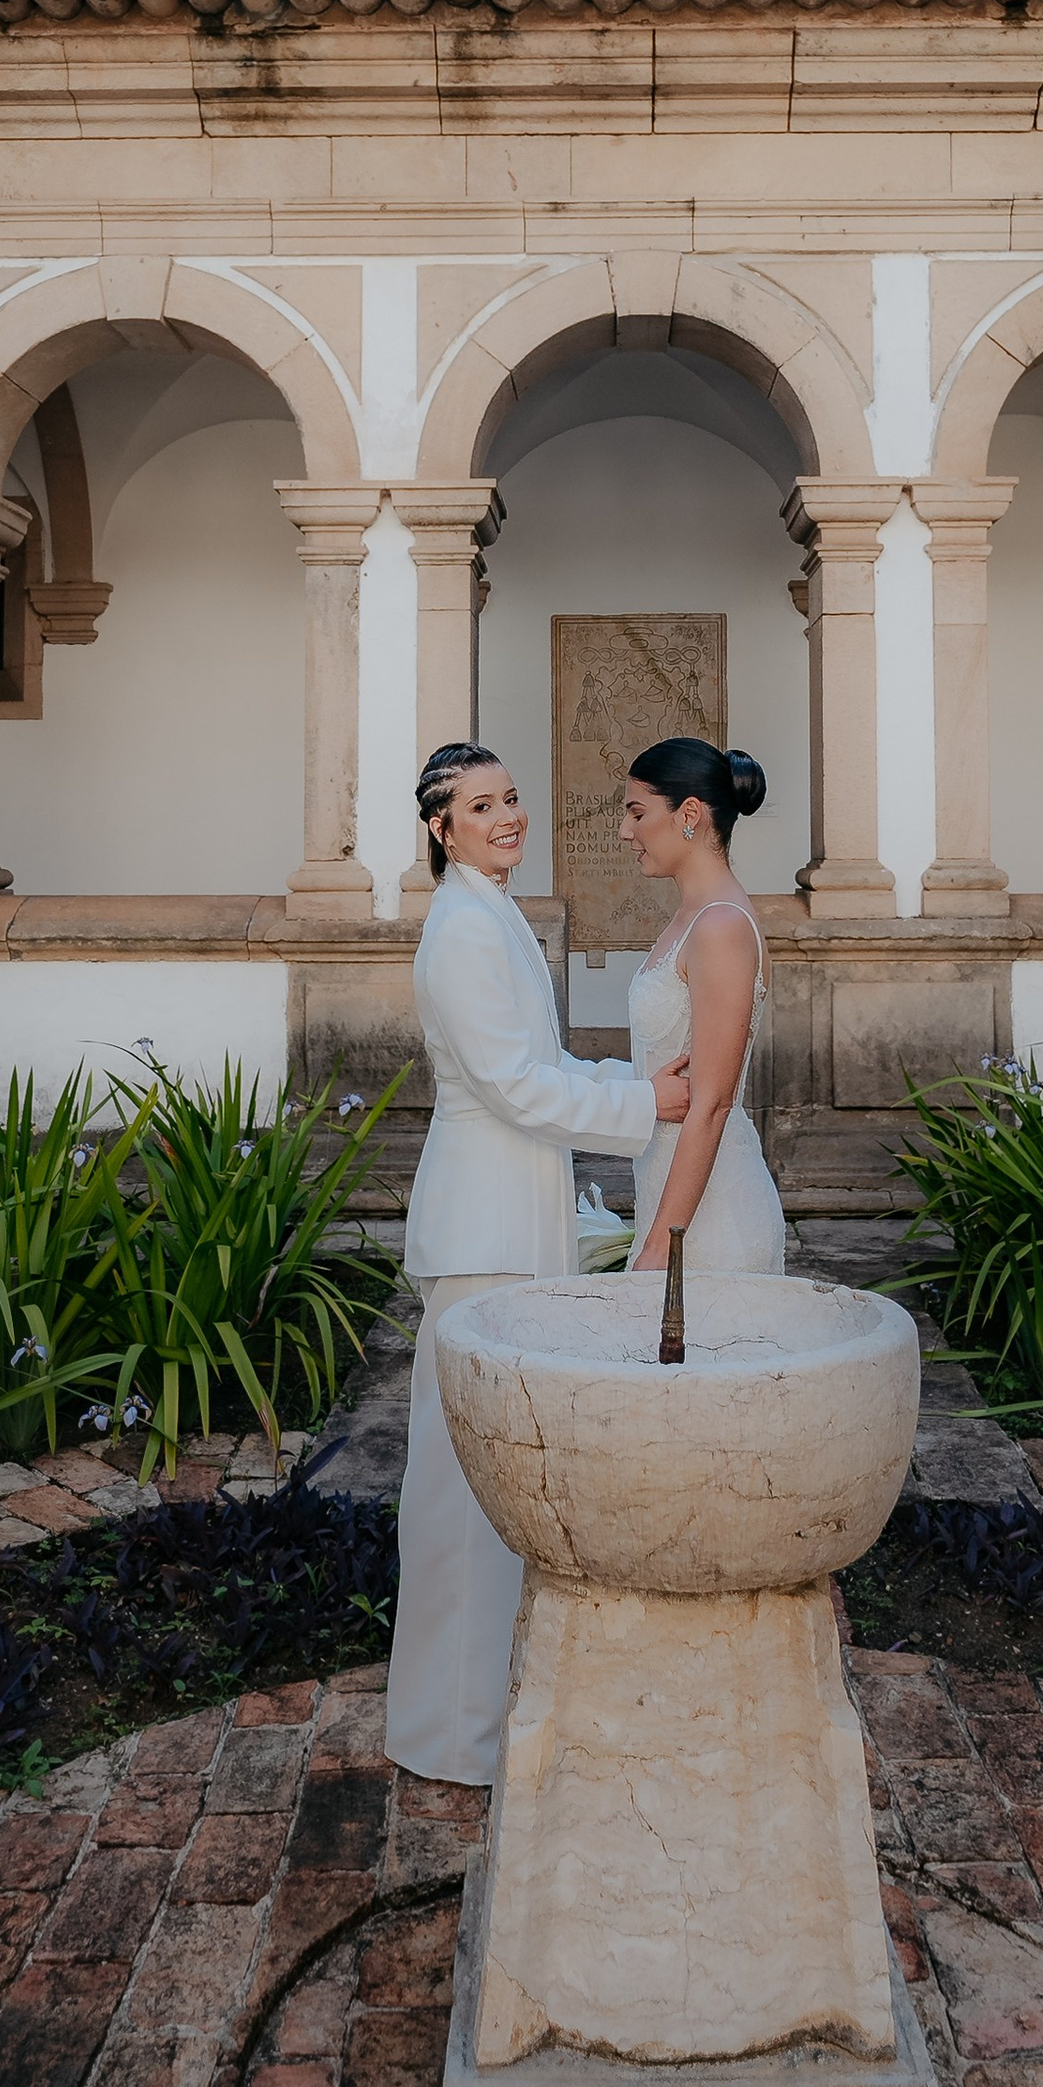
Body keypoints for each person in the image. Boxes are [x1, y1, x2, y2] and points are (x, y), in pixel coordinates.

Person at [384, 741, 691, 1787]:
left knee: (496, 1488)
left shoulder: (492, 912)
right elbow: (515, 1087)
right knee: (463, 1498)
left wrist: (629, 1079)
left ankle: (484, 1716)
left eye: (511, 796)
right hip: (481, 1237)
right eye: (481, 804)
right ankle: (450, 1738)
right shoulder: (463, 929)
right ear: (440, 829)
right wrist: (645, 1105)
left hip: (511, 1224)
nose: (507, 815)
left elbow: (547, 1067)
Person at [620, 736, 788, 1278]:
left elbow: (712, 1102)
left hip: (710, 1225)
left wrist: (661, 1248)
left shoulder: (720, 927)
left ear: (689, 814)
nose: (626, 832)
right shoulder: (693, 916)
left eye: (637, 813)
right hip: (673, 1199)